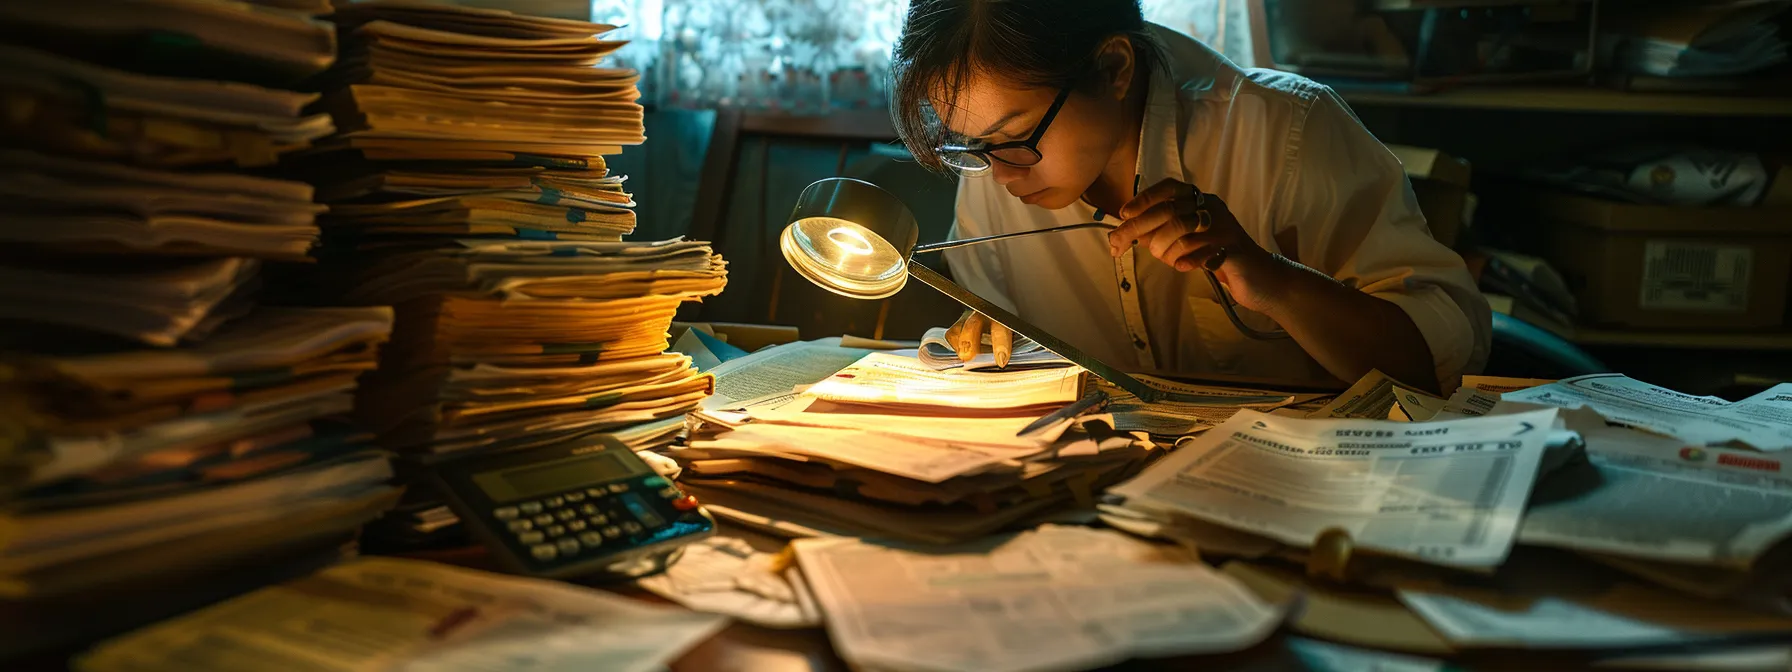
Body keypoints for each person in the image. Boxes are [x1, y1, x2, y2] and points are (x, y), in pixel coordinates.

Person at [890, 0, 1490, 394]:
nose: (997, 175)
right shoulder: (995, 169)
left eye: (1014, 137)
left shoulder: (1284, 131)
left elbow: (1439, 363)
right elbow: (995, 333)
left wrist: (1273, 281)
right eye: (972, 145)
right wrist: (991, 338)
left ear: (1114, 68)